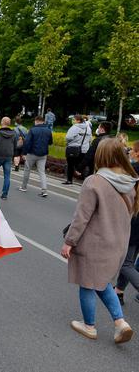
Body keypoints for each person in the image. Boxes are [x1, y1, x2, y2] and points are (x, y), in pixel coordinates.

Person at [61, 139, 138, 344]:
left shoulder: (94, 181)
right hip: (118, 244)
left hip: (95, 242)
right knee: (102, 283)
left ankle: (89, 326)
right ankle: (121, 323)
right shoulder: (130, 183)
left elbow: (81, 217)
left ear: (101, 156)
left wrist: (69, 241)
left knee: (87, 283)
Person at [115, 141, 139, 306]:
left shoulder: (134, 170)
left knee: (125, 263)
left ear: (137, 153)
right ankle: (119, 292)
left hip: (135, 217)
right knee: (130, 260)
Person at [19, 115, 53, 198]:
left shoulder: (32, 130)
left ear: (36, 121)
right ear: (43, 121)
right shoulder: (48, 130)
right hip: (43, 154)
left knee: (27, 170)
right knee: (42, 172)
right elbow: (50, 142)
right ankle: (44, 190)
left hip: (32, 153)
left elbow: (27, 142)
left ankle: (24, 187)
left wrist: (24, 153)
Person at [0, 117, 17, 200]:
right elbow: (15, 145)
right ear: (9, 124)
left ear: (2, 122)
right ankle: (4, 194)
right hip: (8, 157)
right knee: (7, 176)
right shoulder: (14, 133)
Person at [63, 115, 91, 185]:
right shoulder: (88, 128)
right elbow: (90, 139)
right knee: (81, 165)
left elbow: (68, 137)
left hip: (74, 148)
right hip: (84, 150)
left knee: (70, 165)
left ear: (78, 121)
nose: (73, 120)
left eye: (74, 119)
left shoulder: (75, 127)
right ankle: (86, 181)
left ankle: (69, 180)